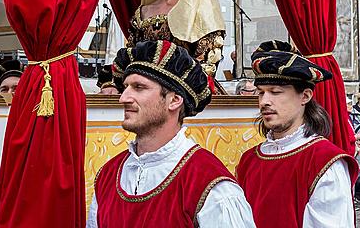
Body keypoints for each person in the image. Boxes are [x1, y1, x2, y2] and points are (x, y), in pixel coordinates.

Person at [87, 40, 256, 228]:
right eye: (125, 87)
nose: (123, 98)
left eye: (139, 87)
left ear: (174, 100)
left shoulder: (211, 186)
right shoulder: (108, 175)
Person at [237, 40, 358, 228]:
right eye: (261, 93)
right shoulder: (249, 160)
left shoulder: (324, 163)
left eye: (275, 92)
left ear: (305, 96)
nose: (264, 101)